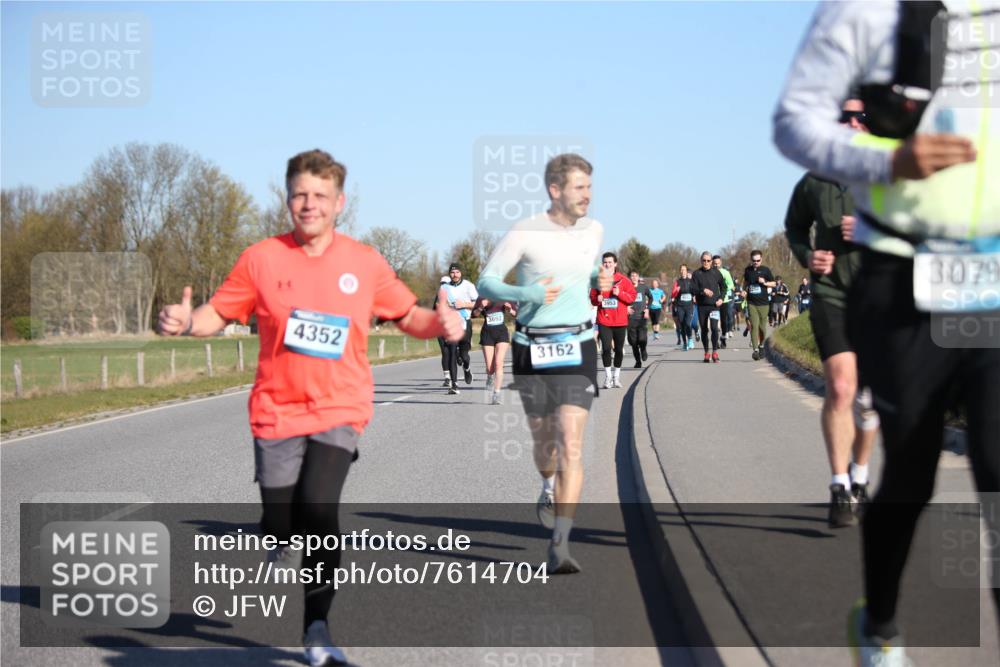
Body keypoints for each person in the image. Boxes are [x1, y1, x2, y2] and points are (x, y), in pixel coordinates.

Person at [157, 149, 464, 666]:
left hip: (340, 407)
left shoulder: (364, 263)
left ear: (339, 202)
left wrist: (441, 323)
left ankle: (317, 628)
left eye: (320, 195)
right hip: (276, 410)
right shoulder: (261, 259)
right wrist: (187, 321)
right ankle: (276, 534)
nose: (309, 204)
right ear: (287, 198)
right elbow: (218, 312)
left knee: (320, 511)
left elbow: (407, 314)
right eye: (300, 194)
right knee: (281, 521)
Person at [774, 2, 999, 665]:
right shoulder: (869, 11)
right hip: (904, 273)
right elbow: (795, 123)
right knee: (914, 468)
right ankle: (879, 625)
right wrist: (889, 158)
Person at [477, 153, 611, 574]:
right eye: (579, 187)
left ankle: (561, 542)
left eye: (590, 187)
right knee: (546, 446)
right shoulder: (525, 231)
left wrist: (597, 280)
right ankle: (546, 485)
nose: (587, 195)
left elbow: (582, 272)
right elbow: (486, 281)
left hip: (578, 342)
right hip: (530, 345)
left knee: (571, 442)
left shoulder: (594, 230)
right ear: (555, 190)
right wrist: (529, 295)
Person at [782, 99, 880, 529]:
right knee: (841, 388)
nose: (853, 123)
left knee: (869, 401)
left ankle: (861, 476)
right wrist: (808, 256)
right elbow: (794, 228)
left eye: (862, 117)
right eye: (845, 116)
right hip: (832, 294)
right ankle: (840, 486)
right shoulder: (814, 181)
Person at [591, 252, 636, 388]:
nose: (607, 264)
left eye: (610, 262)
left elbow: (632, 297)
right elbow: (592, 299)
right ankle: (608, 377)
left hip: (620, 321)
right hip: (604, 320)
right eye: (605, 262)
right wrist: (596, 300)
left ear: (615, 264)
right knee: (605, 349)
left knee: (618, 350)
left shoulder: (624, 280)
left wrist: (620, 293)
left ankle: (616, 377)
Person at [473, 296, 516, 404]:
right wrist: (481, 307)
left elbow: (515, 314)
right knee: (490, 368)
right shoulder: (481, 297)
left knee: (498, 364)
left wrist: (510, 309)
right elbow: (474, 314)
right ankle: (489, 376)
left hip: (501, 332)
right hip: (487, 333)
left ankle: (496, 394)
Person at [443, 263, 479, 388]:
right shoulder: (445, 288)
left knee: (464, 355)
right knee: (452, 352)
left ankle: (467, 368)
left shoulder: (469, 286)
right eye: (452, 272)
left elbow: (477, 304)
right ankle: (454, 384)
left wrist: (463, 304)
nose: (455, 275)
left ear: (461, 273)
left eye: (457, 272)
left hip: (465, 322)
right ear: (449, 274)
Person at [692, 251, 727, 363]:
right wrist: (703, 291)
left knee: (714, 328)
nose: (706, 262)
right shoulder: (697, 274)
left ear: (711, 261)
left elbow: (724, 287)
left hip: (714, 305)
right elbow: (692, 289)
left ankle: (715, 352)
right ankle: (706, 352)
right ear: (701, 261)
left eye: (708, 260)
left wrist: (721, 298)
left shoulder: (716, 272)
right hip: (702, 306)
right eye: (704, 260)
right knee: (704, 330)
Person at [743, 249, 776, 360]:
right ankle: (755, 350)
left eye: (758, 260)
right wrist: (744, 290)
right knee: (754, 326)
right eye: (754, 260)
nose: (756, 262)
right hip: (751, 302)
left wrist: (765, 282)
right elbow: (746, 283)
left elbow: (774, 283)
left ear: (761, 259)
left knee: (762, 327)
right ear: (751, 260)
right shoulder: (748, 270)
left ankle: (762, 345)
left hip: (764, 303)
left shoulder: (765, 270)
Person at [626, 270, 651, 367]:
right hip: (630, 318)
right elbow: (621, 299)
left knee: (642, 339)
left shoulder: (643, 287)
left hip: (641, 317)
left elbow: (651, 297)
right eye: (632, 276)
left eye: (635, 275)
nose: (634, 277)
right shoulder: (626, 288)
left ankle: (643, 349)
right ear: (629, 277)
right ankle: (638, 361)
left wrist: (647, 309)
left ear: (638, 277)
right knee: (633, 342)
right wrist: (626, 308)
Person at [671, 265, 697, 351]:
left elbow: (695, 292)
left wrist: (694, 296)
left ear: (686, 271)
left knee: (687, 323)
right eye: (681, 270)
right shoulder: (677, 282)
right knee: (681, 325)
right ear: (680, 271)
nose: (682, 271)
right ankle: (685, 343)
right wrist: (676, 291)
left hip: (689, 306)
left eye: (684, 270)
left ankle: (690, 339)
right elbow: (673, 295)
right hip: (680, 306)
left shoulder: (691, 281)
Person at [713, 255, 736, 346]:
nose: (716, 265)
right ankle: (715, 340)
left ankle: (723, 337)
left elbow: (731, 285)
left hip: (724, 300)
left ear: (721, 263)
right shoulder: (710, 273)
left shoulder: (725, 273)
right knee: (714, 320)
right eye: (714, 264)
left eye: (718, 263)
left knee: (723, 320)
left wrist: (724, 288)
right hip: (713, 300)